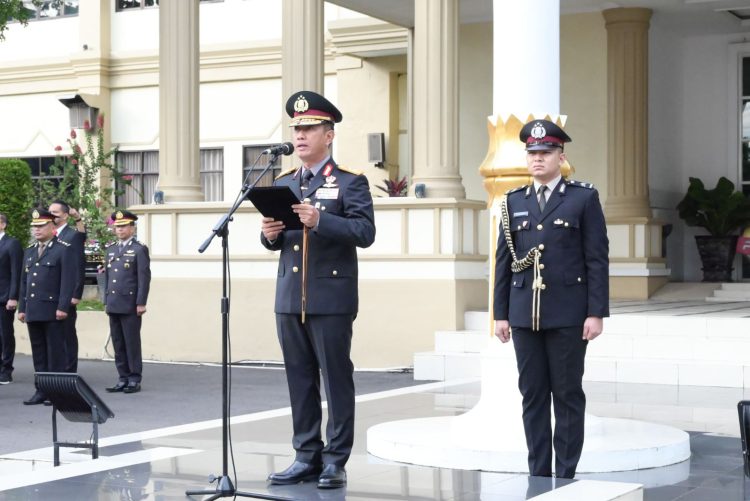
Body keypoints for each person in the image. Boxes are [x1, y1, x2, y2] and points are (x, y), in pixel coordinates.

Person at [260, 90, 375, 489]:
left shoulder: (349, 183)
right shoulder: (285, 182)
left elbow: (364, 233)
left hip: (331, 299)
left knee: (335, 378)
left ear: (329, 135)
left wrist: (320, 221)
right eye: (297, 128)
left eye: (309, 128)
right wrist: (270, 235)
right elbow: (280, 242)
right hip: (290, 296)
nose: (302, 135)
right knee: (299, 379)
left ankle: (335, 459)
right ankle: (305, 454)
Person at [493, 119, 609, 479]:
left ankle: (567, 471)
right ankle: (539, 472)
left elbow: (596, 258)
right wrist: (500, 314)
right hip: (524, 313)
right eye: (533, 153)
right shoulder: (513, 202)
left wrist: (596, 312)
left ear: (562, 156)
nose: (538, 159)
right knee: (532, 395)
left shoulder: (582, 197)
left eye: (545, 153)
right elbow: (503, 262)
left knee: (567, 394)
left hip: (569, 314)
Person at [17, 209, 76, 405]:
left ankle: (56, 392)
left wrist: (63, 307)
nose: (37, 230)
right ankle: (41, 390)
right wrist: (22, 307)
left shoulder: (63, 249)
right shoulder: (30, 250)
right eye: (34, 226)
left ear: (52, 227)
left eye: (41, 226)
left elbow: (68, 281)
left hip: (52, 310)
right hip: (34, 309)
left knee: (55, 353)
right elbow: (25, 282)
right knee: (39, 352)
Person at [102, 210, 150, 394]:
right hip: (114, 302)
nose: (119, 230)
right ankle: (122, 377)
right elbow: (108, 278)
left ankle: (134, 378)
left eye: (123, 227)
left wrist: (141, 302)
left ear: (132, 228)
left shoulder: (139, 249)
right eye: (117, 227)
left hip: (130, 304)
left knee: (131, 342)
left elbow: (143, 278)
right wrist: (106, 300)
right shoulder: (111, 249)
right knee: (118, 342)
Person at [49, 200, 86, 373]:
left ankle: (69, 372)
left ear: (65, 215)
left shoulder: (72, 236)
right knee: (54, 337)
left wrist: (76, 293)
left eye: (55, 212)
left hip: (67, 295)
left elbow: (78, 265)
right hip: (51, 295)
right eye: (50, 212)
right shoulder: (50, 235)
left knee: (67, 336)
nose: (52, 215)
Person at [0, 213, 22, 384]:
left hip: (4, 297)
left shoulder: (11, 244)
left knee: (5, 335)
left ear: (3, 225)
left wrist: (13, 297)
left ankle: (6, 369)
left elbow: (16, 272)